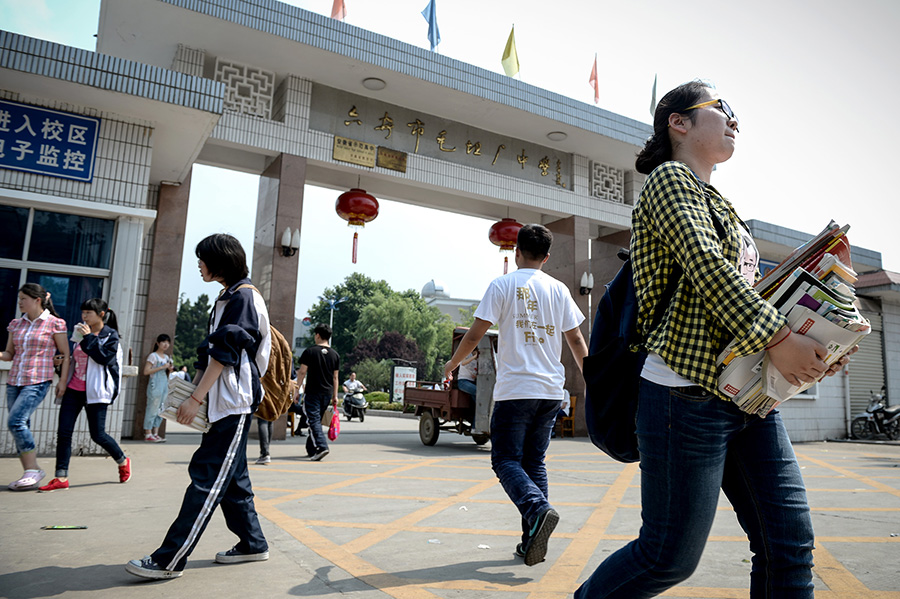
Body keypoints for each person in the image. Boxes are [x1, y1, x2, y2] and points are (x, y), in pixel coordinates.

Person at [574, 81, 853, 599]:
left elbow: (754, 294)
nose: (734, 121)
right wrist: (779, 337)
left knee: (789, 545)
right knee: (667, 557)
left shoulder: (720, 203)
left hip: (749, 395)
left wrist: (817, 346)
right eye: (722, 109)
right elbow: (706, 266)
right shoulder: (669, 180)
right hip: (684, 396)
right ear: (679, 123)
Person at [126, 233, 271, 580]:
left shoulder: (243, 298)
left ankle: (169, 559)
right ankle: (252, 543)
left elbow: (224, 353)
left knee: (207, 479)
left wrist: (195, 398)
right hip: (224, 401)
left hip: (233, 402)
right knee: (233, 481)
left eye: (202, 259)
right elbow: (211, 353)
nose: (199, 265)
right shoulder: (229, 296)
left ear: (220, 261)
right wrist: (196, 392)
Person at [444, 224, 588, 566]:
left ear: (516, 252)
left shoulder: (502, 285)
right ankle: (530, 541)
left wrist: (452, 364)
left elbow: (474, 335)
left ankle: (537, 510)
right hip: (550, 391)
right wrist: (592, 380)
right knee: (534, 463)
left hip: (516, 391)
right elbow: (576, 340)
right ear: (547, 257)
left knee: (505, 460)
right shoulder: (559, 289)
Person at [39, 299, 129, 492]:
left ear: (101, 314)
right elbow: (74, 359)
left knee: (98, 435)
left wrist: (88, 337)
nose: (84, 316)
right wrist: (59, 364)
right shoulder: (79, 332)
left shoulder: (110, 336)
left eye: (89, 313)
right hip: (74, 389)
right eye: (83, 312)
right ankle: (61, 477)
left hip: (96, 392)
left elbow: (104, 358)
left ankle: (122, 460)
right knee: (64, 433)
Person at [1, 283, 70, 491]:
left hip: (38, 380)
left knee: (15, 422)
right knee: (22, 425)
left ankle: (33, 469)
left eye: (24, 299)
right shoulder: (16, 324)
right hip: (15, 381)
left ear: (37, 300)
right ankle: (30, 473)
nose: (20, 302)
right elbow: (9, 354)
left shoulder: (54, 323)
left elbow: (65, 354)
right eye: (19, 299)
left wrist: (63, 381)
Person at [297, 323, 339, 461]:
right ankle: (311, 449)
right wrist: (335, 396)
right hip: (327, 393)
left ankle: (321, 446)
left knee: (313, 420)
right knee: (316, 421)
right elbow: (335, 377)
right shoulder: (335, 355)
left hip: (313, 392)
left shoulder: (310, 352)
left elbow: (302, 372)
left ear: (318, 335)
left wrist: (296, 390)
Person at [143, 333, 174, 442]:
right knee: (152, 408)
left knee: (161, 409)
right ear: (158, 343)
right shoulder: (153, 356)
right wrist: (161, 367)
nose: (166, 344)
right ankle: (148, 433)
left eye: (168, 342)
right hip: (155, 384)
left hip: (164, 384)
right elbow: (146, 371)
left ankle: (155, 433)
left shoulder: (167, 357)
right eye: (163, 342)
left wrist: (169, 369)